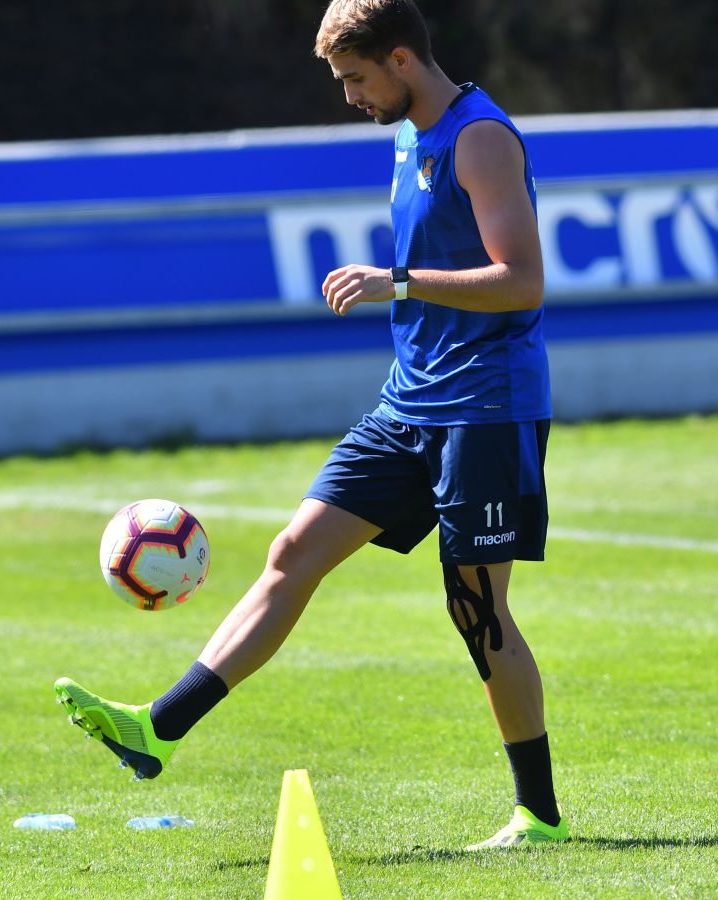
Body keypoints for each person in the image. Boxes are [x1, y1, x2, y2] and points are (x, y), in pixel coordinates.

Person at [53, 0, 569, 850]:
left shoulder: (479, 137)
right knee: (293, 553)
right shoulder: (408, 134)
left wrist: (396, 281)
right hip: (409, 401)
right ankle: (157, 731)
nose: (350, 97)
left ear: (402, 61)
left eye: (356, 79)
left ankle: (538, 815)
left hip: (486, 403)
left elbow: (521, 281)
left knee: (476, 608)